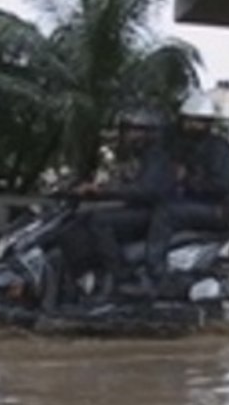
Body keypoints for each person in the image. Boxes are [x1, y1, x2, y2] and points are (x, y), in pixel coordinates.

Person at [71, 108, 178, 298]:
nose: (125, 136)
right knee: (83, 219)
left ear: (148, 133)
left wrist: (103, 191)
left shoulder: (157, 158)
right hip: (144, 209)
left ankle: (121, 277)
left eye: (130, 131)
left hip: (154, 213)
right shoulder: (143, 158)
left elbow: (145, 191)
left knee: (99, 221)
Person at [142, 91, 229, 289]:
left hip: (218, 209)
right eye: (189, 121)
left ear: (208, 123)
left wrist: (187, 180)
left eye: (198, 122)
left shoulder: (220, 150)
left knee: (166, 213)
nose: (192, 126)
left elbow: (221, 186)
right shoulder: (183, 146)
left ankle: (155, 271)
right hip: (196, 205)